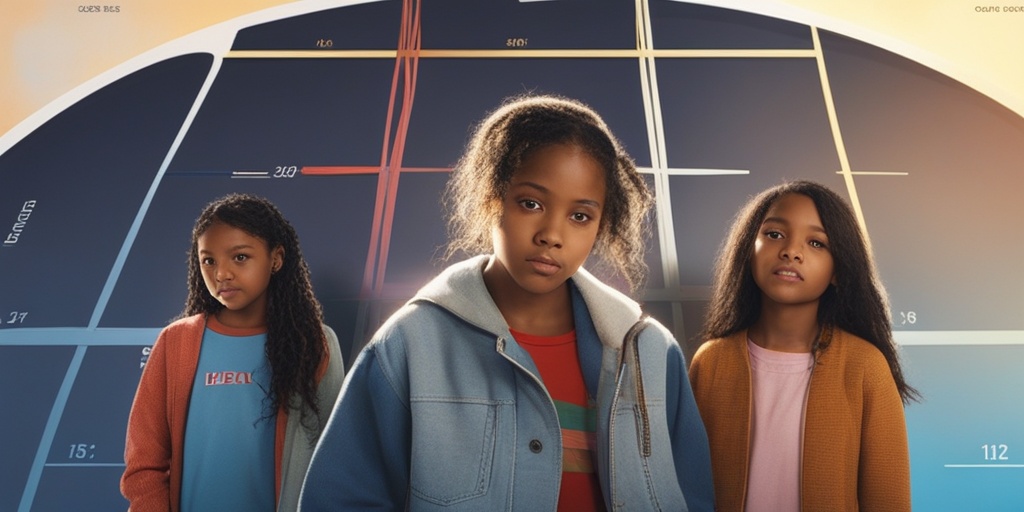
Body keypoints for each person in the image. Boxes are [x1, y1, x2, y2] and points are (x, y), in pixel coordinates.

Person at [299, 94, 715, 511]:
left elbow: (693, 495)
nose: (552, 234)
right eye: (530, 203)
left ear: (602, 224)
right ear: (492, 197)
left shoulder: (649, 352)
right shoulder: (409, 344)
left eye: (580, 216)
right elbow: (340, 499)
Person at [689, 180, 919, 511]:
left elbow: (889, 501)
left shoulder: (865, 367)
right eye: (774, 234)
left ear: (838, 270)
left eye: (816, 243)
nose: (791, 251)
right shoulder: (710, 363)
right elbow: (688, 486)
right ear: (747, 249)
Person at [121, 193, 344, 512]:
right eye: (208, 260)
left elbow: (336, 459)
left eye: (239, 257)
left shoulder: (314, 343)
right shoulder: (176, 342)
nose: (221, 273)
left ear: (276, 258)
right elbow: (144, 463)